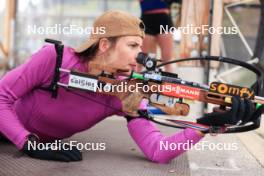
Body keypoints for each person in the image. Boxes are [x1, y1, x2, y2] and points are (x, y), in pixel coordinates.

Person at [0, 10, 262, 163]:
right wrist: (30, 144)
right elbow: (1, 97)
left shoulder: (127, 91)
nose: (141, 54)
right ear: (104, 45)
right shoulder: (54, 58)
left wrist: (205, 124)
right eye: (133, 46)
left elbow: (158, 151)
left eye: (140, 46)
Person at [139, 0, 176, 72]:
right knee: (141, 59)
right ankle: (134, 80)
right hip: (147, 20)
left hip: (164, 20)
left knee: (167, 59)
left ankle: (170, 80)